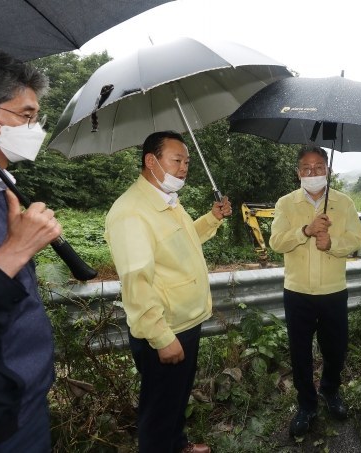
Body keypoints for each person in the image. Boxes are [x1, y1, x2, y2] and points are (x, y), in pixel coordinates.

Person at [105, 131, 232, 453]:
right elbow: (136, 283)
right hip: (165, 328)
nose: (185, 167)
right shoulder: (132, 213)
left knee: (176, 397)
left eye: (187, 161)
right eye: (177, 160)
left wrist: (212, 219)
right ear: (151, 161)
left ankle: (179, 445)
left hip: (185, 321)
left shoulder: (168, 202)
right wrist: (162, 337)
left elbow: (183, 242)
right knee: (159, 409)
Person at [0, 44, 61, 452]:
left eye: (36, 118)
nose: (34, 129)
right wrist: (13, 253)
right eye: (25, 116)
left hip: (25, 403)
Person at [269, 145, 361, 437]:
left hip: (334, 292)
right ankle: (306, 404)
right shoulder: (286, 203)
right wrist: (306, 232)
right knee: (300, 353)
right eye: (307, 169)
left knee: (335, 348)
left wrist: (332, 243)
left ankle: (330, 391)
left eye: (319, 167)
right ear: (298, 173)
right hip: (297, 292)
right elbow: (276, 242)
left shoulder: (344, 203)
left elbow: (357, 239)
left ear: (328, 170)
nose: (313, 174)